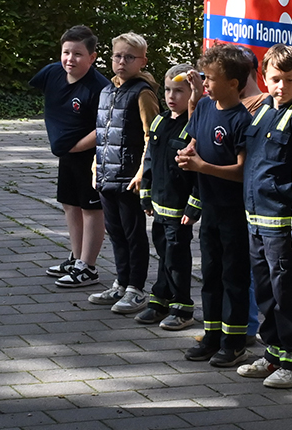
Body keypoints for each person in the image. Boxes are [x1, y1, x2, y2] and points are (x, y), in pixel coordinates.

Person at [237, 44, 292, 388]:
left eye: (289, 80)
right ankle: (274, 352)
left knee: (286, 291)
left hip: (280, 223)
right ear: (264, 78)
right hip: (255, 218)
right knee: (265, 290)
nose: (281, 86)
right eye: (275, 79)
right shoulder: (262, 111)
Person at [179, 42, 255, 367]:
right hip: (209, 208)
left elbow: (242, 171)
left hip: (233, 213)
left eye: (210, 78)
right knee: (209, 274)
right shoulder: (205, 108)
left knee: (233, 278)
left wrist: (203, 167)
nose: (205, 83)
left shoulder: (242, 120)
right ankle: (211, 335)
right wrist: (187, 154)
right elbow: (194, 141)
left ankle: (234, 342)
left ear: (233, 83)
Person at [35, 26, 111, 288]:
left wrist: (78, 146)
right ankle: (76, 258)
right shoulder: (51, 73)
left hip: (90, 157)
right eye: (66, 52)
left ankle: (88, 267)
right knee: (70, 205)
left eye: (78, 54)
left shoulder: (100, 88)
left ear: (92, 57)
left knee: (91, 209)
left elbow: (106, 126)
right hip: (66, 155)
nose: (70, 59)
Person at [91, 33, 159, 314]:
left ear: (142, 61)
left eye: (129, 57)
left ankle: (136, 288)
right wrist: (95, 165)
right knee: (116, 232)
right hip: (107, 174)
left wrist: (143, 171)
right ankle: (121, 282)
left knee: (133, 234)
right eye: (118, 56)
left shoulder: (143, 92)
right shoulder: (107, 90)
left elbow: (151, 136)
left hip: (130, 177)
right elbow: (102, 133)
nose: (122, 62)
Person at [138, 65, 199, 330]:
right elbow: (150, 160)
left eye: (179, 91)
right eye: (167, 90)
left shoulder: (194, 127)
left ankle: (182, 306)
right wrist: (145, 193)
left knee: (177, 258)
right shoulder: (160, 121)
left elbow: (198, 173)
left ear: (193, 93)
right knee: (163, 253)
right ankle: (159, 299)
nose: (171, 96)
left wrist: (194, 205)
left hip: (179, 210)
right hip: (158, 206)